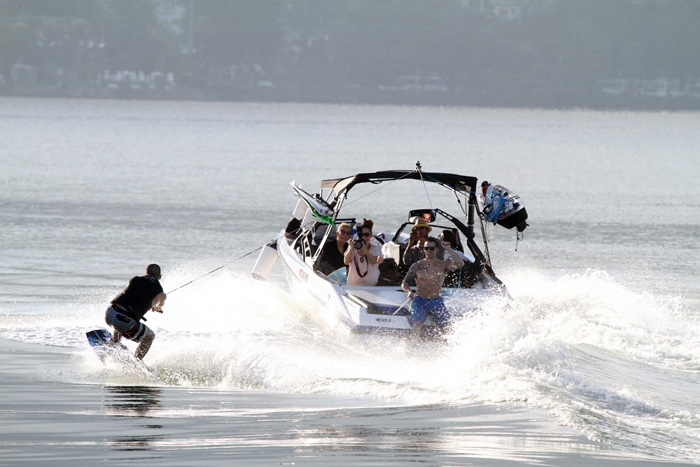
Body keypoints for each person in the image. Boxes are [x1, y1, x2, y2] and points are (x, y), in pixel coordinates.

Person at [401, 239, 464, 337]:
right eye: (426, 248)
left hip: (436, 300)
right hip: (419, 300)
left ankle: (446, 348)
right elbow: (404, 283)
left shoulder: (443, 265)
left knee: (448, 327)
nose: (428, 251)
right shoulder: (417, 265)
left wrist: (448, 249)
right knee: (417, 324)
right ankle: (412, 348)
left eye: (431, 248)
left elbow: (460, 263)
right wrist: (408, 291)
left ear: (437, 250)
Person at [105, 264, 166, 360]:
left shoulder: (135, 279)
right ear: (160, 276)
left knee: (124, 316)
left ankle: (114, 342)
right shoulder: (159, 291)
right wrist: (157, 306)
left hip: (109, 313)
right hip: (123, 321)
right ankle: (137, 361)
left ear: (146, 273)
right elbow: (159, 301)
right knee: (150, 336)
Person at [345, 218, 383, 286]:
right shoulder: (353, 248)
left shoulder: (375, 248)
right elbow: (346, 261)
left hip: (371, 286)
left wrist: (365, 251)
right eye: (362, 235)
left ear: (371, 235)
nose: (364, 237)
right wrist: (351, 247)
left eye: (367, 235)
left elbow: (375, 260)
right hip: (353, 286)